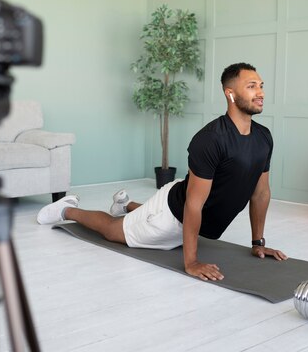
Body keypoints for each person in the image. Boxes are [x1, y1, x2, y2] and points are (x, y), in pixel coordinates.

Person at [37, 62, 287, 281]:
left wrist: (257, 243)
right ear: (230, 94)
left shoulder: (263, 137)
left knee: (148, 212)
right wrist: (191, 262)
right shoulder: (211, 139)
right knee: (113, 231)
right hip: (171, 217)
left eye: (261, 85)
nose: (261, 92)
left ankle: (126, 205)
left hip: (183, 206)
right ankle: (66, 208)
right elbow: (193, 204)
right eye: (252, 86)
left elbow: (261, 194)